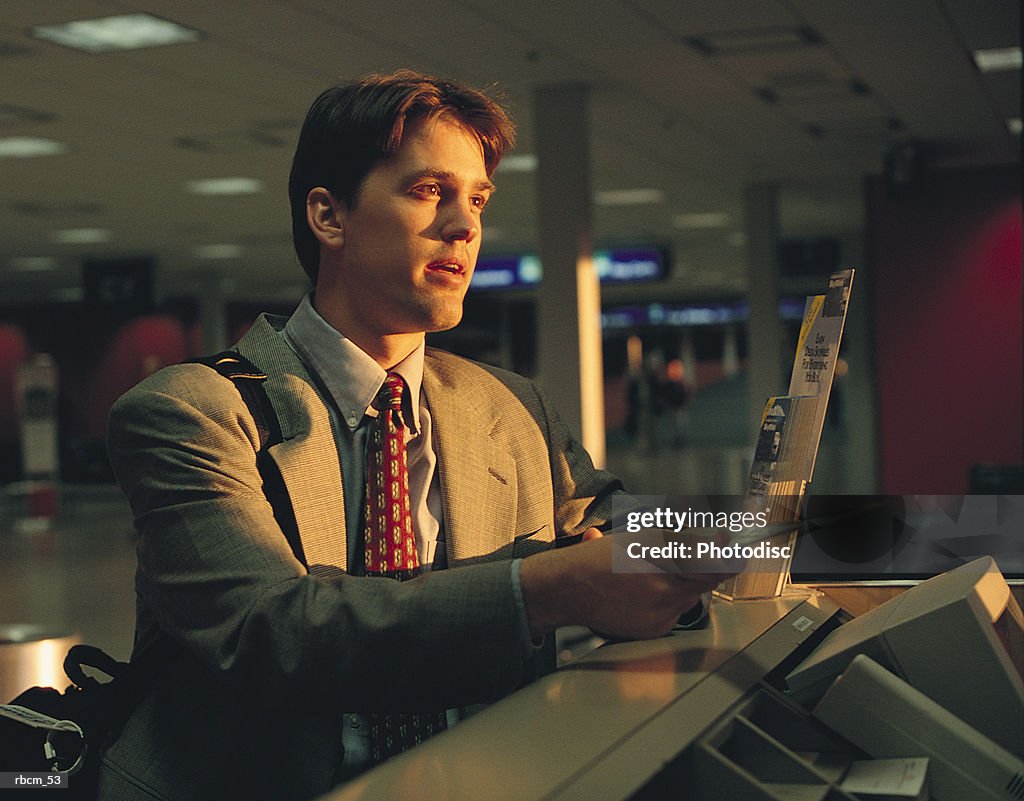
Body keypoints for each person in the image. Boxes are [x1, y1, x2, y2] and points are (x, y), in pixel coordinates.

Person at [99, 70, 727, 801]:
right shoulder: (192, 412)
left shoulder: (510, 405)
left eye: (478, 199)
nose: (465, 226)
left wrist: (782, 532)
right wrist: (541, 590)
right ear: (329, 217)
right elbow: (270, 634)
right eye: (429, 192)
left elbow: (618, 526)